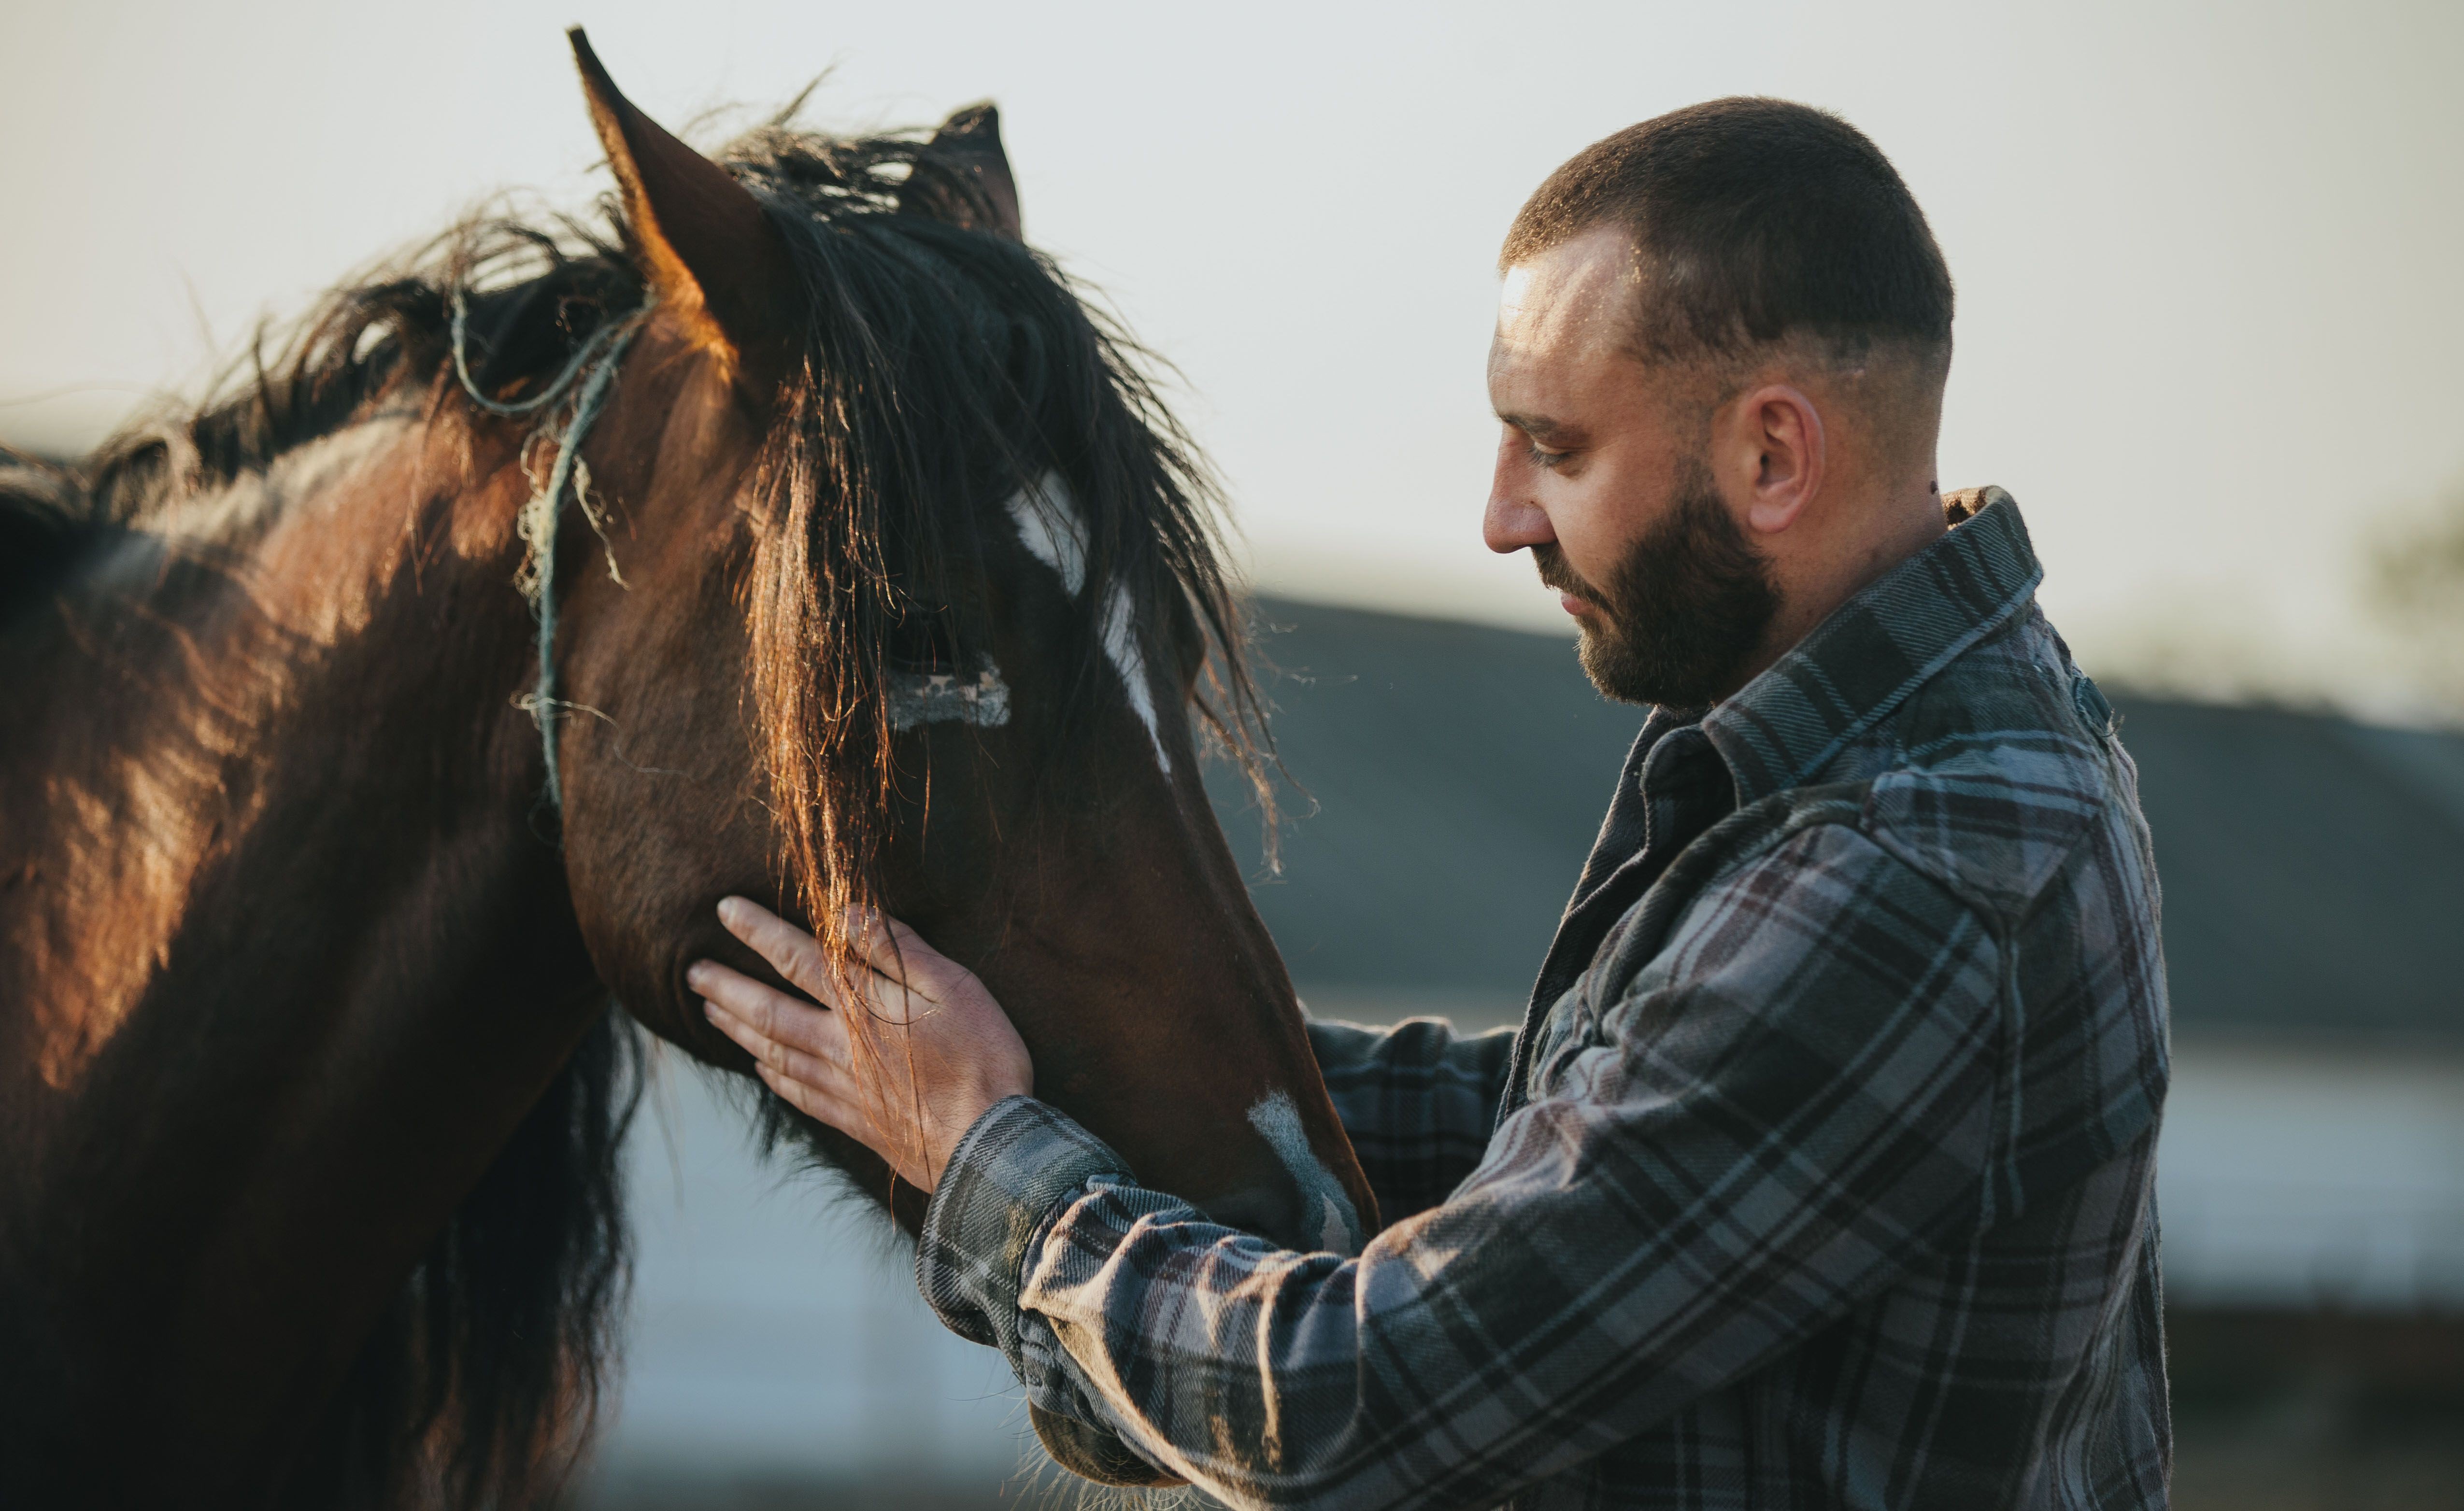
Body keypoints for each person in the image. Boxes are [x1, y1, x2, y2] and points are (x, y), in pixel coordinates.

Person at [688, 98, 2171, 1509]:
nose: (1502, 515)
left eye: (1560, 446)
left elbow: (1353, 1409)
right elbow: (1593, 1120)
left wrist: (986, 1155)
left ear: (1772, 454)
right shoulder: (1918, 733)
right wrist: (1129, 1052)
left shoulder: (1922, 871)